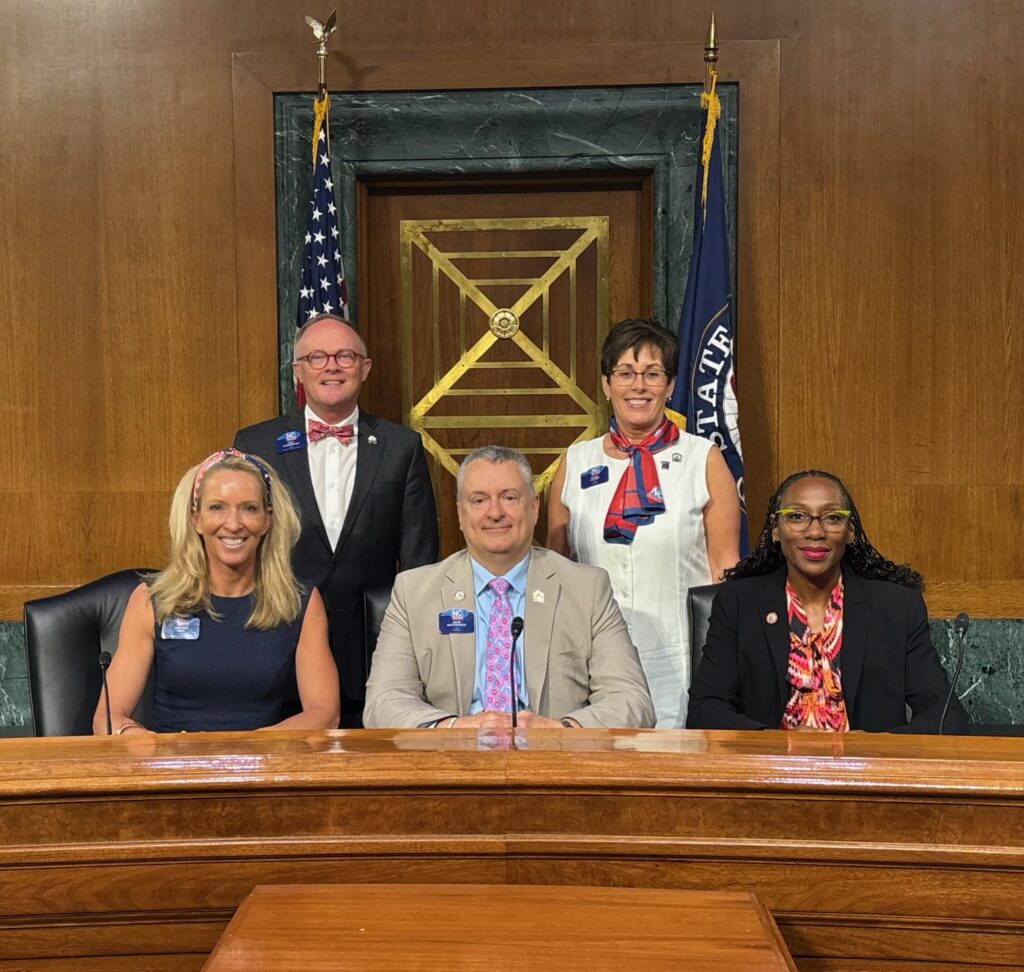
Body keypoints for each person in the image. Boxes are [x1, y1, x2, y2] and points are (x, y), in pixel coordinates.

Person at [233, 313, 439, 727]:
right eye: (317, 357)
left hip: (373, 659)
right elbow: (237, 552)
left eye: (345, 356)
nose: (332, 366)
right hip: (277, 650)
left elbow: (420, 563)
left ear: (365, 368)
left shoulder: (402, 447)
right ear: (298, 371)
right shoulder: (255, 445)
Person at [364, 446, 655, 730]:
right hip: (451, 755)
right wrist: (452, 727)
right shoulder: (413, 592)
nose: (495, 512)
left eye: (509, 497)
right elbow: (383, 702)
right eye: (479, 500)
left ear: (534, 507)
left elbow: (631, 700)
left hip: (554, 756)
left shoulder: (587, 589)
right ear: (461, 515)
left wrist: (560, 729)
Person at [547, 318, 740, 728]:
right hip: (591, 666)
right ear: (606, 383)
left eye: (652, 374)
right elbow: (554, 575)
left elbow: (726, 576)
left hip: (680, 663)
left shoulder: (703, 459)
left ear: (670, 386)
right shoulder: (575, 462)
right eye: (625, 373)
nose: (639, 386)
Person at [687, 470, 969, 734]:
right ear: (776, 529)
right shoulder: (739, 604)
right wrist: (780, 743)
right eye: (797, 517)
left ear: (850, 531)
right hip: (769, 766)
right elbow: (705, 711)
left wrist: (871, 746)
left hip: (866, 768)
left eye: (832, 518)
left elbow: (947, 717)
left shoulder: (896, 608)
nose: (815, 532)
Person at [94, 449, 340, 734]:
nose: (233, 524)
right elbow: (107, 719)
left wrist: (250, 748)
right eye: (217, 508)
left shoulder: (300, 602)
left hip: (266, 758)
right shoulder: (151, 600)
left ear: (267, 520)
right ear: (195, 518)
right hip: (172, 758)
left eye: (249, 508)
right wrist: (145, 742)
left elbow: (325, 715)